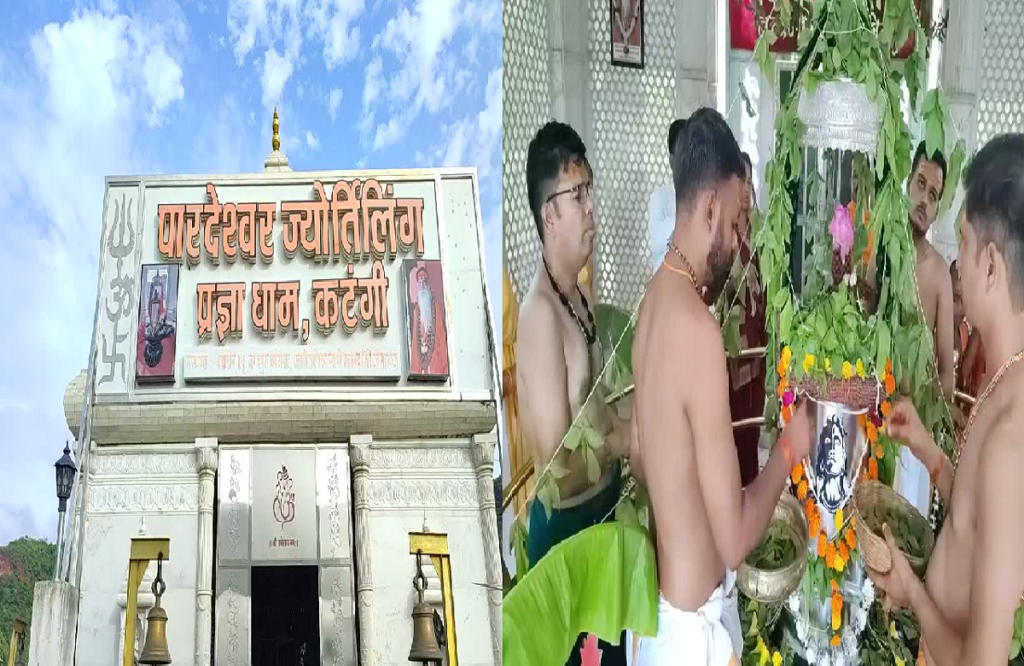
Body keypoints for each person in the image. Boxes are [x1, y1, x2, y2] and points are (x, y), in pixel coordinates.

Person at [629, 108, 814, 666]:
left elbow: (641, 457)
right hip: (689, 637)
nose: (739, 242)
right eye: (736, 221)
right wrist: (790, 446)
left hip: (663, 617)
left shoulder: (653, 304)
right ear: (710, 205)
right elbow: (734, 541)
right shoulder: (697, 327)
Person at [867, 133, 1024, 666]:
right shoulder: (1004, 381)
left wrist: (913, 592)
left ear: (990, 266)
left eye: (964, 240)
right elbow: (975, 519)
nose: (955, 261)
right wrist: (931, 455)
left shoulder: (1012, 432)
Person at [515, 121, 630, 665]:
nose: (590, 209)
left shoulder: (579, 299)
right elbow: (560, 467)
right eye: (576, 195)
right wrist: (631, 439)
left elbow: (598, 402)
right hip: (567, 542)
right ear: (548, 215)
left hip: (602, 524)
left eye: (590, 191)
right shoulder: (539, 318)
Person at [725, 152, 767, 487]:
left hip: (759, 344)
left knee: (753, 426)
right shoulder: (725, 237)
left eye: (750, 181)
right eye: (741, 180)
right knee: (735, 427)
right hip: (735, 353)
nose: (746, 189)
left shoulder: (758, 230)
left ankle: (751, 491)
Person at [649, 119, 687, 271]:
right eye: (681, 154)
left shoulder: (701, 197)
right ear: (671, 160)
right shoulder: (660, 197)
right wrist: (685, 218)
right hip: (665, 285)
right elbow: (655, 243)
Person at [951, 261, 986, 400]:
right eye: (955, 299)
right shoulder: (935, 335)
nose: (962, 308)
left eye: (965, 300)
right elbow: (960, 379)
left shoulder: (963, 330)